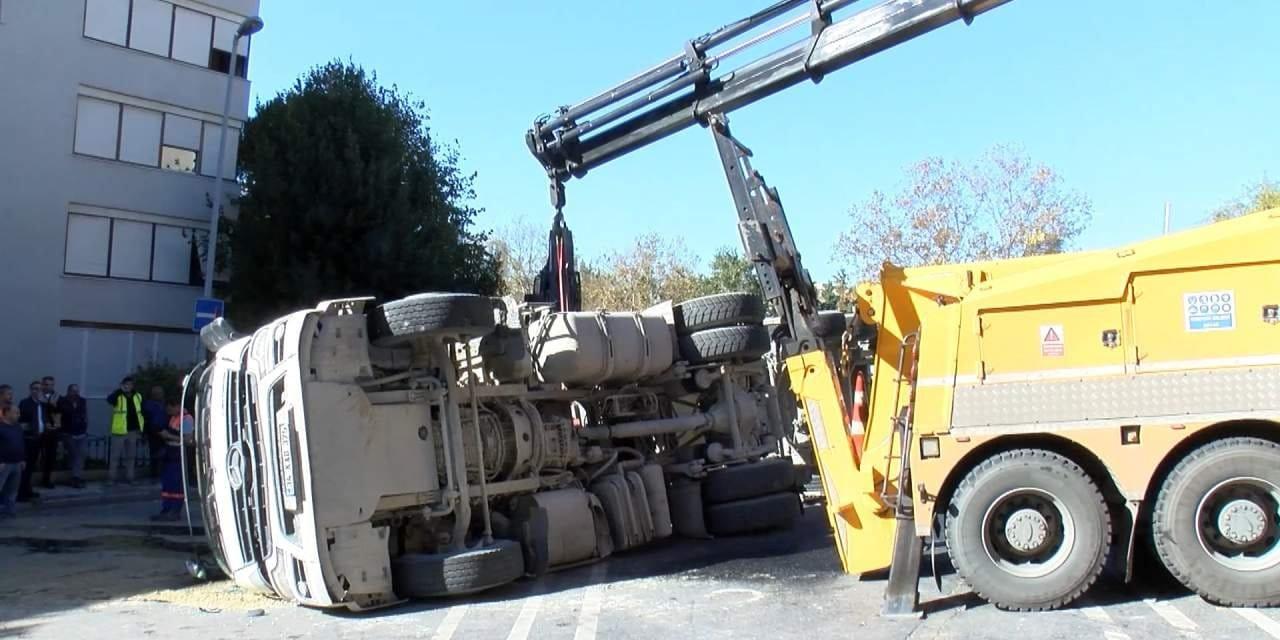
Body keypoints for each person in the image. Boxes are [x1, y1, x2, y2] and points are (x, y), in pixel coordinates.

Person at [152, 399, 192, 521]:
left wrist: (168, 436)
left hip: (179, 454)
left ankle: (175, 511)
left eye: (170, 408)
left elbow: (188, 440)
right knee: (168, 484)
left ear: (178, 406)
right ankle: (166, 509)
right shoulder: (173, 418)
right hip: (170, 453)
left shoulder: (187, 419)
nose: (168, 411)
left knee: (176, 484)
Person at [18, 381, 57, 499]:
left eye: (39, 389)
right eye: (34, 389)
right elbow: (20, 420)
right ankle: (22, 493)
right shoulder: (25, 403)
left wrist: (47, 425)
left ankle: (28, 490)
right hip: (29, 439)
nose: (37, 391)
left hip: (41, 438)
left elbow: (44, 418)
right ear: (30, 390)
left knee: (33, 466)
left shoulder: (43, 404)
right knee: (26, 467)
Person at [105, 376, 144, 485]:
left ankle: (130, 477)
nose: (128, 386)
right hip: (119, 431)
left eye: (130, 384)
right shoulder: (118, 395)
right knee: (115, 456)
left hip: (133, 430)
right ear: (122, 385)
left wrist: (141, 429)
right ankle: (111, 478)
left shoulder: (137, 396)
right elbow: (109, 400)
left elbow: (141, 412)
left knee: (131, 456)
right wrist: (119, 391)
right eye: (126, 384)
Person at [57, 385, 89, 489]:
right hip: (68, 432)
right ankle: (75, 477)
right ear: (68, 391)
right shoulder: (62, 401)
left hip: (81, 432)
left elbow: (85, 414)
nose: (75, 393)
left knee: (81, 454)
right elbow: (59, 416)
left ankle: (76, 477)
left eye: (77, 391)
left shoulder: (82, 401)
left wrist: (85, 425)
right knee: (74, 455)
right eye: (73, 391)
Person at [0, 403, 24, 518]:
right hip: (4, 464)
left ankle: (9, 509)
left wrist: (22, 459)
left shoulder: (17, 427)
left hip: (17, 462)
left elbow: (21, 443)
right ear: (7, 413)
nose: (18, 415)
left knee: (13, 489)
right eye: (16, 413)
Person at [143, 385, 167, 479]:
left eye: (160, 393)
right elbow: (146, 419)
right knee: (154, 453)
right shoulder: (148, 404)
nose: (159, 395)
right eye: (156, 393)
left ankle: (162, 471)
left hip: (164, 430)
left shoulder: (164, 404)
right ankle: (154, 473)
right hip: (153, 431)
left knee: (164, 452)